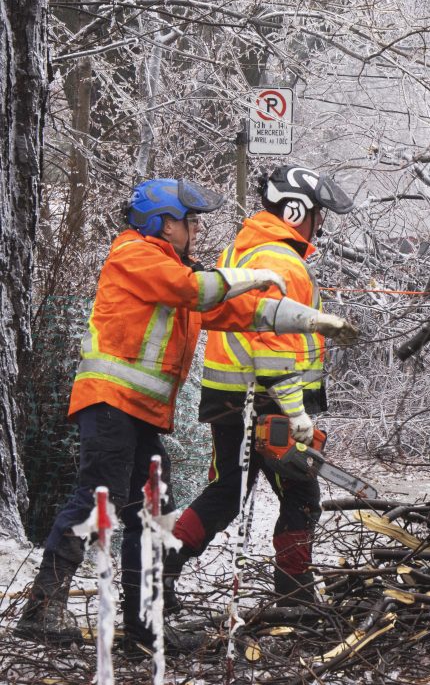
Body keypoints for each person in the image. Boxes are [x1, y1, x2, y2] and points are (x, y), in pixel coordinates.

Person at [15, 178, 355, 656]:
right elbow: (194, 290)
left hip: (139, 412)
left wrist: (311, 320)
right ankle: (42, 608)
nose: (196, 229)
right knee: (102, 498)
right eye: (189, 221)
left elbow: (238, 312)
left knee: (148, 510)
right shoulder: (134, 255)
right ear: (161, 222)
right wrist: (251, 277)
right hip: (110, 403)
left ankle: (142, 627)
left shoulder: (175, 269)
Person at [164, 165, 357, 611]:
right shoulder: (279, 259)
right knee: (302, 493)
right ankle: (294, 593)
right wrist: (295, 413)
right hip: (266, 397)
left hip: (232, 395)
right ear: (296, 210)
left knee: (228, 490)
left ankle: (161, 568)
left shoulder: (245, 250)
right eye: (317, 213)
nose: (320, 223)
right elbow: (272, 344)